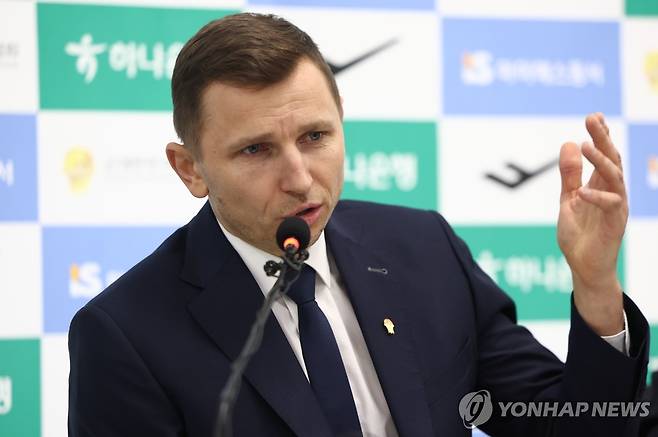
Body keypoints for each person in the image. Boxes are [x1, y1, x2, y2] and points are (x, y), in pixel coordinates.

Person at [67, 12, 649, 437]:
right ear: (190, 168)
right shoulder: (123, 337)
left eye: (315, 136)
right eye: (256, 150)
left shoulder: (424, 250)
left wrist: (595, 283)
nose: (300, 178)